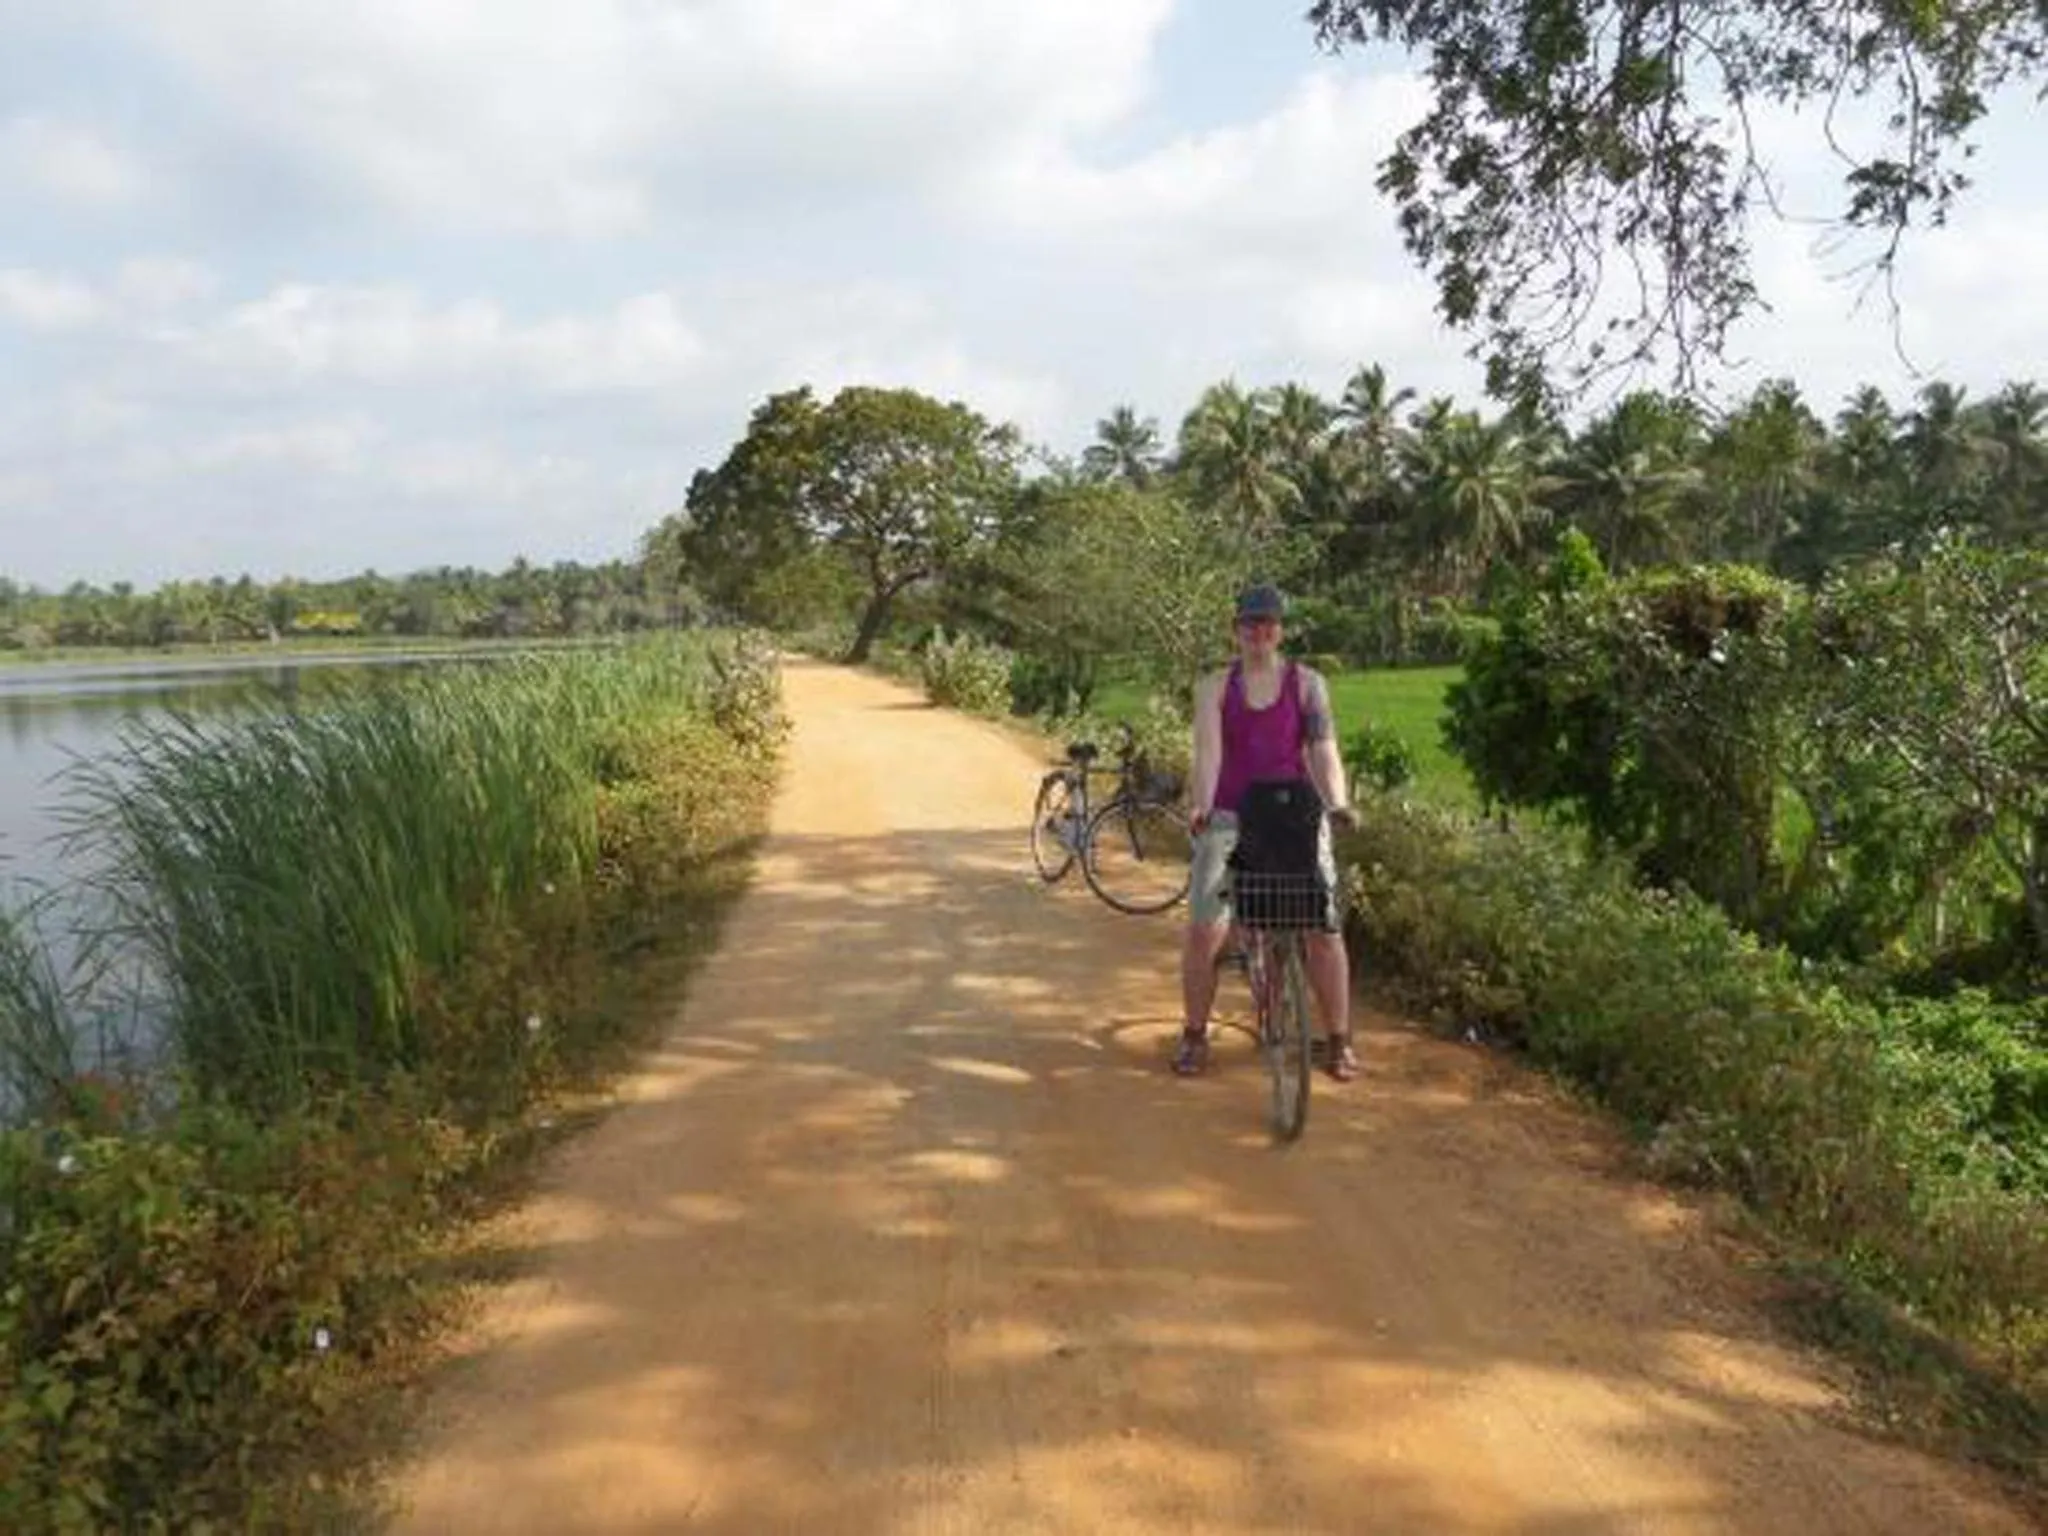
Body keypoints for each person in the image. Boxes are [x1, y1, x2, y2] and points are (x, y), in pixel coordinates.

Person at [1175, 582, 1358, 1080]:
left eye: (1268, 622)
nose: (1260, 631)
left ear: (1280, 630)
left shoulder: (1308, 684)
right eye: (1250, 622)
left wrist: (1337, 803)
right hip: (1231, 816)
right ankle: (1194, 1034)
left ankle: (1339, 1041)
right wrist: (1202, 805)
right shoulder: (1215, 687)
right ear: (1236, 630)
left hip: (1295, 815)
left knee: (1323, 928)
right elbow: (1209, 752)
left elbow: (1323, 749)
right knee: (1204, 929)